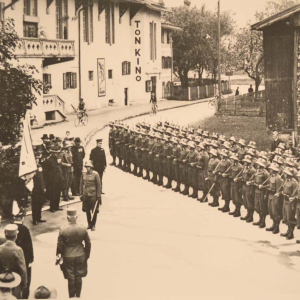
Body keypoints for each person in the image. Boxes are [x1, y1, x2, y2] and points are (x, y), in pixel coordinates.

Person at [56, 208, 91, 298]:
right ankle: (78, 296)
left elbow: (60, 245)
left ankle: (71, 297)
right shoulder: (83, 228)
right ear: (76, 217)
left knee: (70, 278)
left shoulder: (63, 229)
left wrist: (59, 257)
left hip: (68, 255)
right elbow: (88, 243)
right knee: (78, 277)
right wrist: (86, 254)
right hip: (80, 254)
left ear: (68, 218)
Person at [0, 224, 27, 299]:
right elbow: (22, 269)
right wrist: (24, 283)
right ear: (16, 236)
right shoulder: (18, 250)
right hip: (15, 281)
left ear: (6, 235)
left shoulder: (0, 248)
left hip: (2, 280)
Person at [13, 210, 34, 299]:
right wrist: (31, 258)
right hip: (24, 258)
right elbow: (29, 246)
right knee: (26, 279)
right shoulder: (25, 229)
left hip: (13, 259)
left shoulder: (10, 228)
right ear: (22, 218)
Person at [80, 161, 102, 231]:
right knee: (87, 210)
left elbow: (99, 186)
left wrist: (98, 196)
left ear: (91, 167)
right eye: (86, 167)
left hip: (93, 195)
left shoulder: (95, 174)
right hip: (86, 195)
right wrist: (81, 194)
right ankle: (89, 224)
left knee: (94, 211)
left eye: (88, 167)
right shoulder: (83, 174)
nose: (87, 168)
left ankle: (93, 225)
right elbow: (81, 184)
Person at [42, 145, 64, 212]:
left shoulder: (57, 160)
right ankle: (52, 207)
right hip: (52, 180)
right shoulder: (48, 160)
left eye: (57, 153)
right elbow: (45, 172)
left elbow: (59, 169)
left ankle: (56, 206)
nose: (56, 154)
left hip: (58, 179)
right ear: (52, 153)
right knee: (52, 194)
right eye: (55, 153)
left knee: (58, 193)